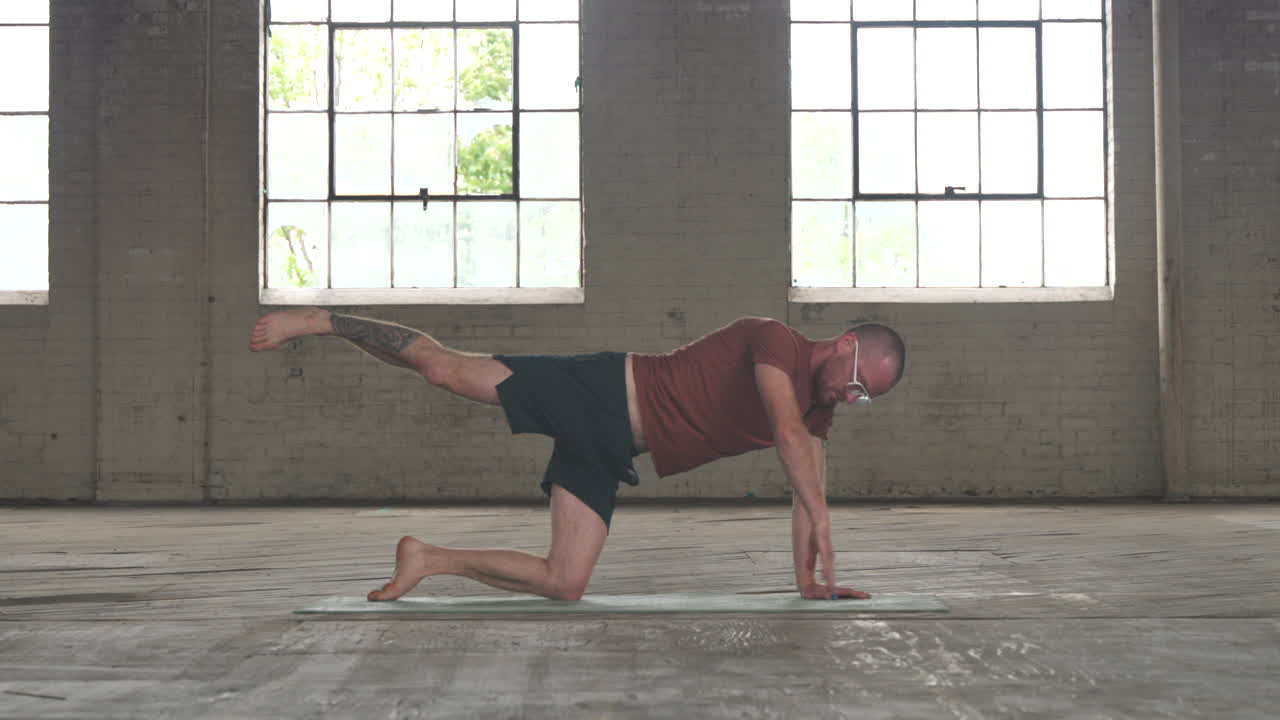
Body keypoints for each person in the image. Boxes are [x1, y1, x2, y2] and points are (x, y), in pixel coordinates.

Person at [249, 309, 905, 602]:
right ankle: (321, 322)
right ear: (845, 343)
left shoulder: (819, 408)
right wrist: (825, 523)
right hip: (600, 389)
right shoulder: (776, 342)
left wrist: (809, 580)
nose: (850, 398)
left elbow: (804, 481)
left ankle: (428, 558)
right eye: (856, 383)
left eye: (862, 398)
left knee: (565, 584)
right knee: (445, 371)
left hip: (613, 441)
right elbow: (787, 436)